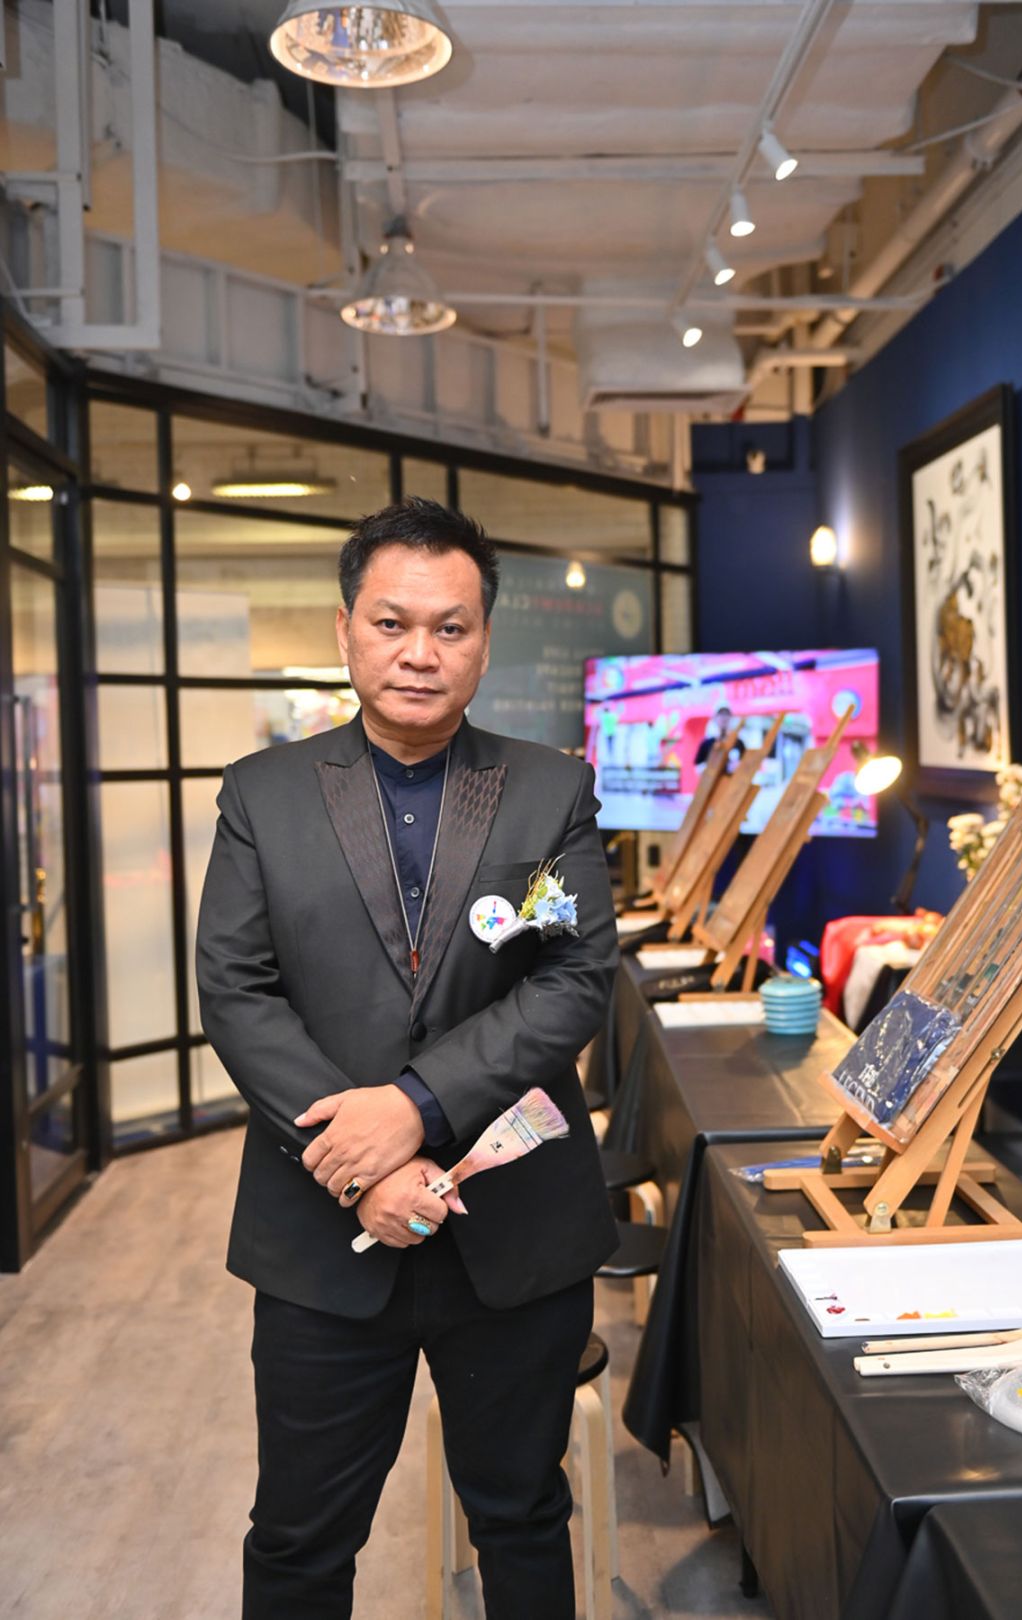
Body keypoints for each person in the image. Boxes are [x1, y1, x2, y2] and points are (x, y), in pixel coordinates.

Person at [195, 497, 619, 1620]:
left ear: (484, 640)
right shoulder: (263, 795)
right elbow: (236, 990)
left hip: (516, 1230)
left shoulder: (550, 791)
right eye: (392, 623)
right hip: (320, 1240)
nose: (420, 652)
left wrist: (416, 1106)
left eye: (450, 627)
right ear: (346, 631)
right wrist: (361, 1163)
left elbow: (572, 978)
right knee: (299, 1538)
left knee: (523, 1517)